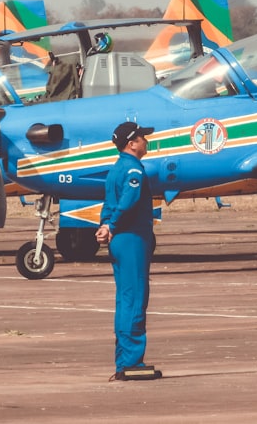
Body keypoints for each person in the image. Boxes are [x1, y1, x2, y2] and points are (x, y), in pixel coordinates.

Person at [95, 121, 161, 381]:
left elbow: (110, 202)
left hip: (119, 238)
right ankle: (132, 361)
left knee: (125, 299)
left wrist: (105, 225)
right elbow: (128, 202)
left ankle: (124, 360)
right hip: (132, 238)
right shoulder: (134, 170)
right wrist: (112, 224)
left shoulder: (117, 168)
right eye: (142, 137)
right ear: (132, 143)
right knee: (135, 298)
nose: (146, 141)